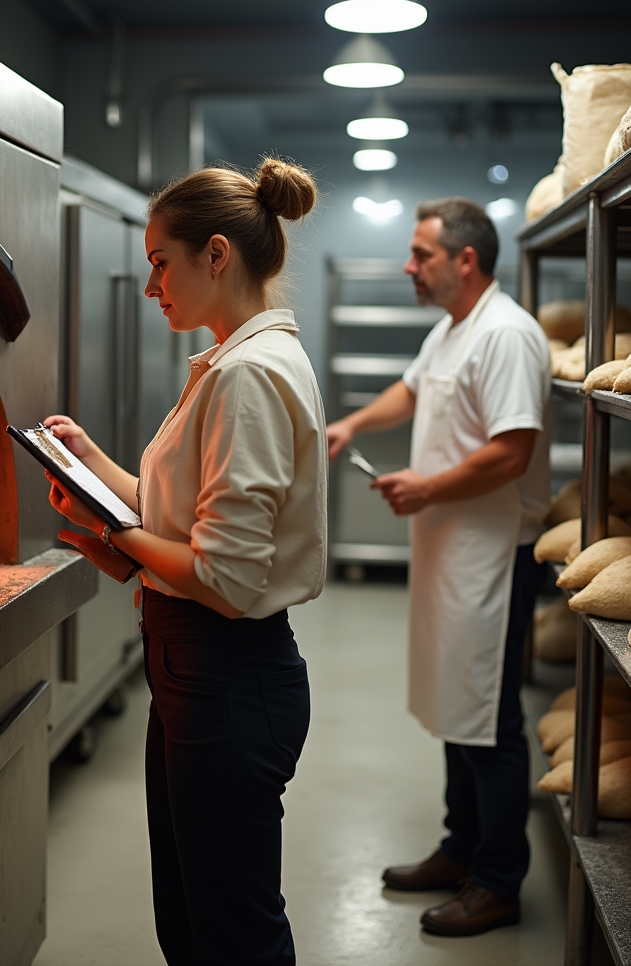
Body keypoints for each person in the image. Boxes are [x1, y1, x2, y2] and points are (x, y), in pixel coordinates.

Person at [43, 158, 327, 966]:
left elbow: (228, 579)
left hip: (227, 676)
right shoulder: (231, 365)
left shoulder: (248, 375)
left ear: (216, 255)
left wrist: (116, 537)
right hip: (196, 670)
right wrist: (92, 463)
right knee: (194, 921)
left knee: (231, 935)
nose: (149, 286)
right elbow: (192, 519)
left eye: (159, 263)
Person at [327, 198, 550, 936]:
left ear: (466, 260)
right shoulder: (452, 329)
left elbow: (512, 450)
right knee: (459, 705)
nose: (407, 265)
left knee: (488, 720)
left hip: (492, 554)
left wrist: (425, 486)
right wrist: (355, 422)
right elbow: (415, 388)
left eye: (421, 253)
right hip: (449, 547)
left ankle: (498, 881)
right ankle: (461, 849)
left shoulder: (507, 334)